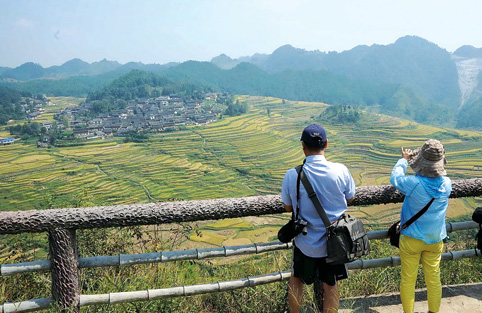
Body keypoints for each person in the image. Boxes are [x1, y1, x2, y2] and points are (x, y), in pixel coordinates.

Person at [281, 124, 356, 313]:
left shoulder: (293, 175)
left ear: (303, 146)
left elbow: (288, 206)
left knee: (296, 278)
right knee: (330, 283)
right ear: (326, 144)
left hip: (305, 242)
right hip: (334, 243)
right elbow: (350, 197)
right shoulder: (341, 170)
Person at [390, 139, 452, 313]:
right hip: (435, 240)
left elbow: (395, 178)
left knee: (408, 280)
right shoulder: (447, 184)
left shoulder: (413, 184)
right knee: (433, 279)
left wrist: (403, 160)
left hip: (411, 239)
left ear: (422, 161)